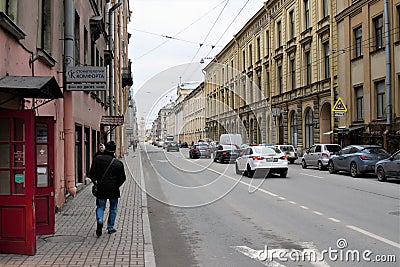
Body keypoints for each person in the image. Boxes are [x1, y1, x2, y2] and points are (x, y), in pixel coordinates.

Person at [89, 141, 126, 237]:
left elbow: (91, 173)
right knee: (113, 208)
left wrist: (95, 182)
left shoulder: (97, 159)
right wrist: (116, 185)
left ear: (105, 149)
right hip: (113, 189)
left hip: (101, 188)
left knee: (100, 207)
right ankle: (110, 228)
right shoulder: (118, 163)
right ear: (114, 151)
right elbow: (123, 178)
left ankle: (100, 220)